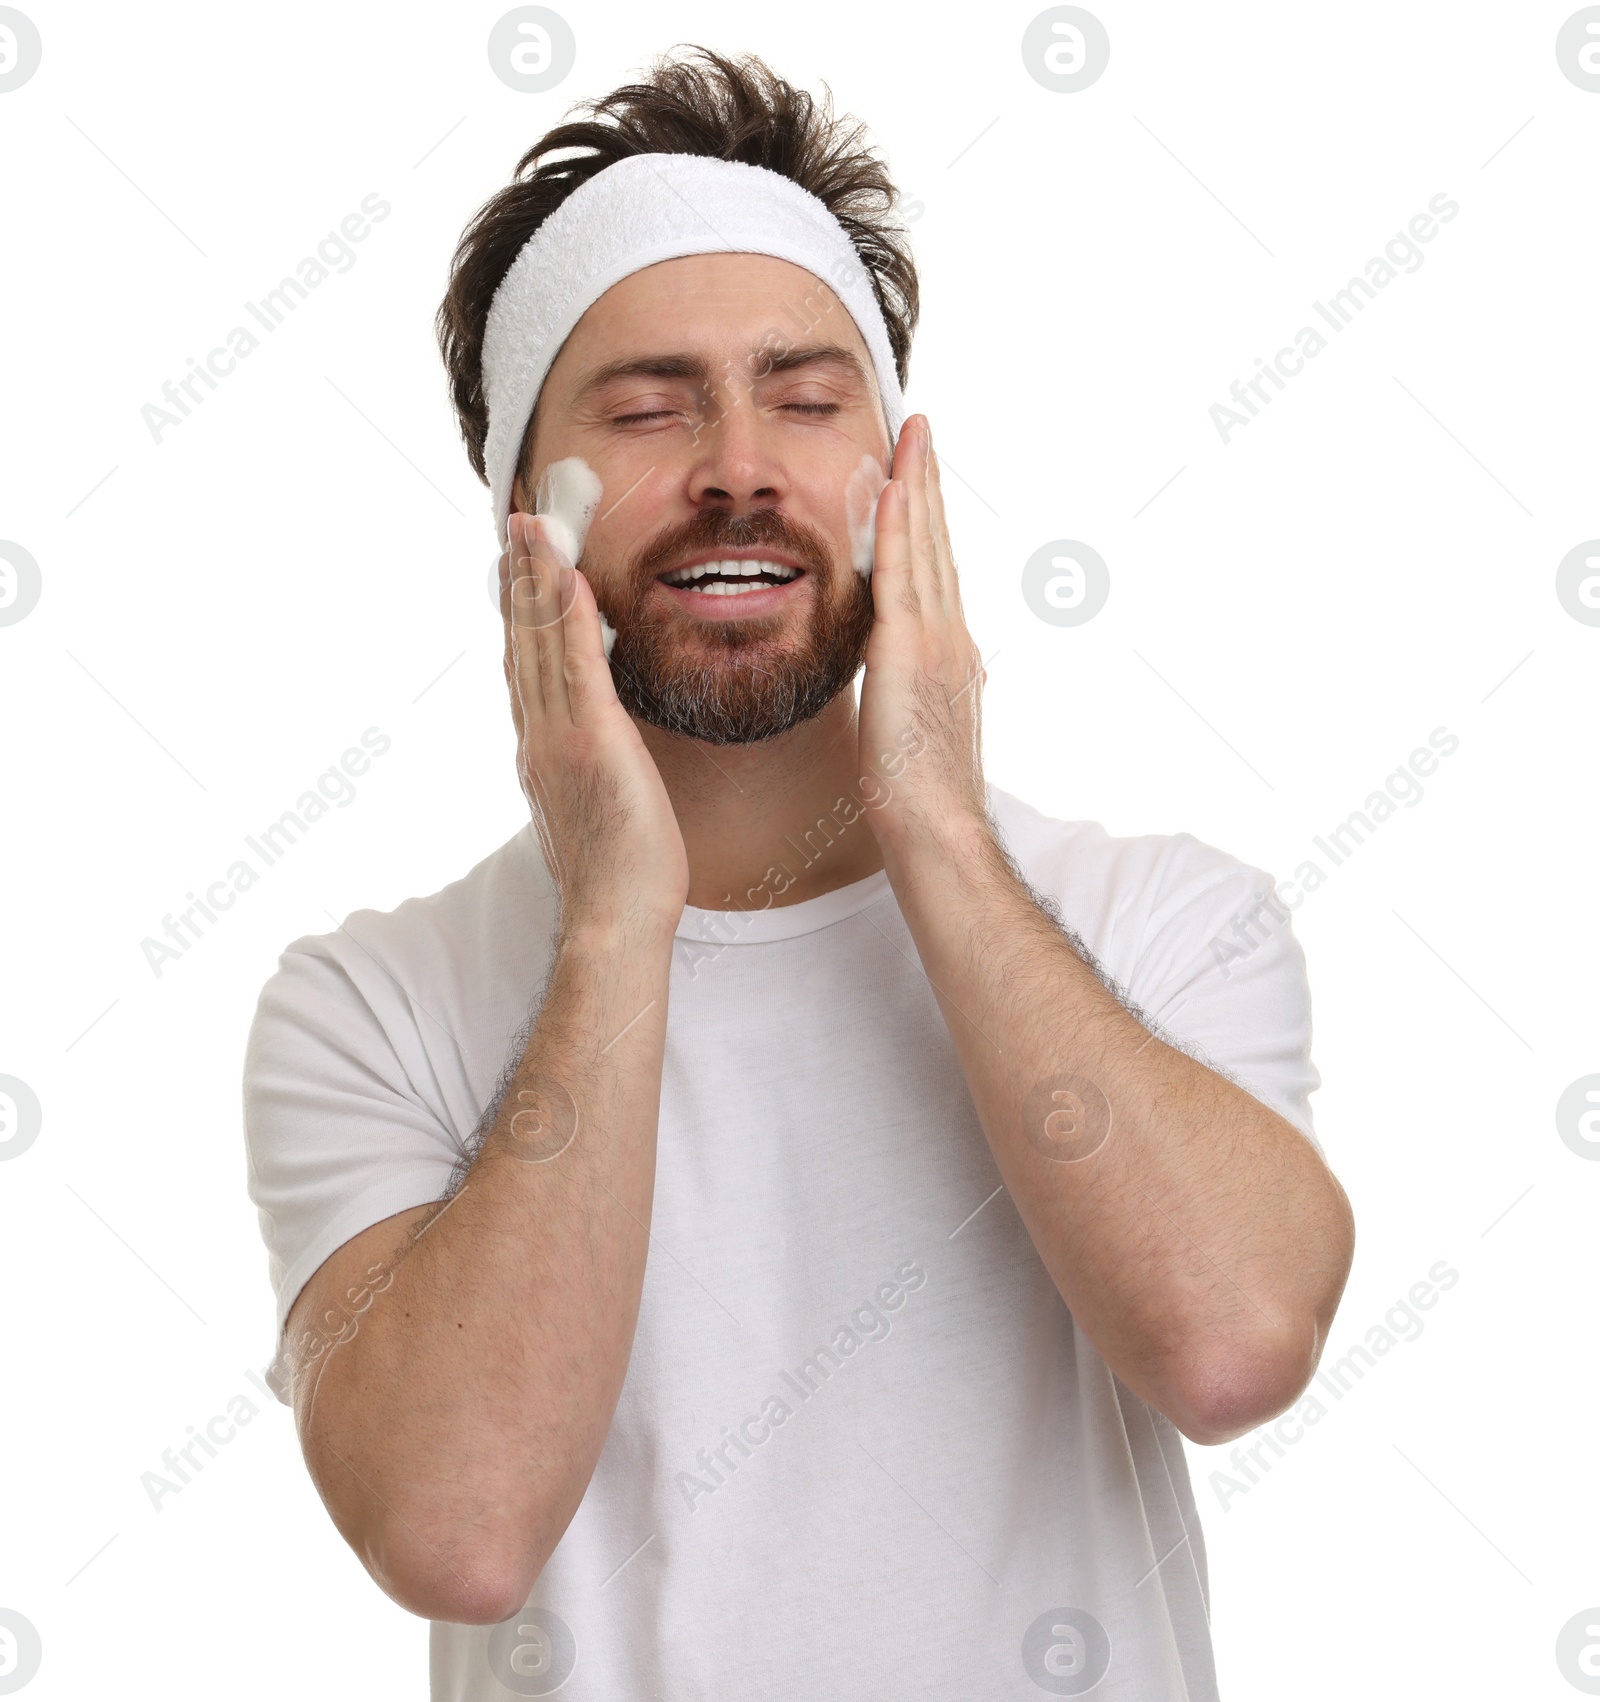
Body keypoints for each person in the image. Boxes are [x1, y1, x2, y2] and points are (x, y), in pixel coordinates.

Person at [243, 46, 1354, 1701]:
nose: (739, 464)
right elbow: (459, 1524)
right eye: (645, 404)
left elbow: (1234, 1345)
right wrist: (623, 909)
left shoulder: (1166, 925)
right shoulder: (369, 1004)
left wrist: (938, 830)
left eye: (807, 394)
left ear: (897, 478)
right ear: (514, 511)